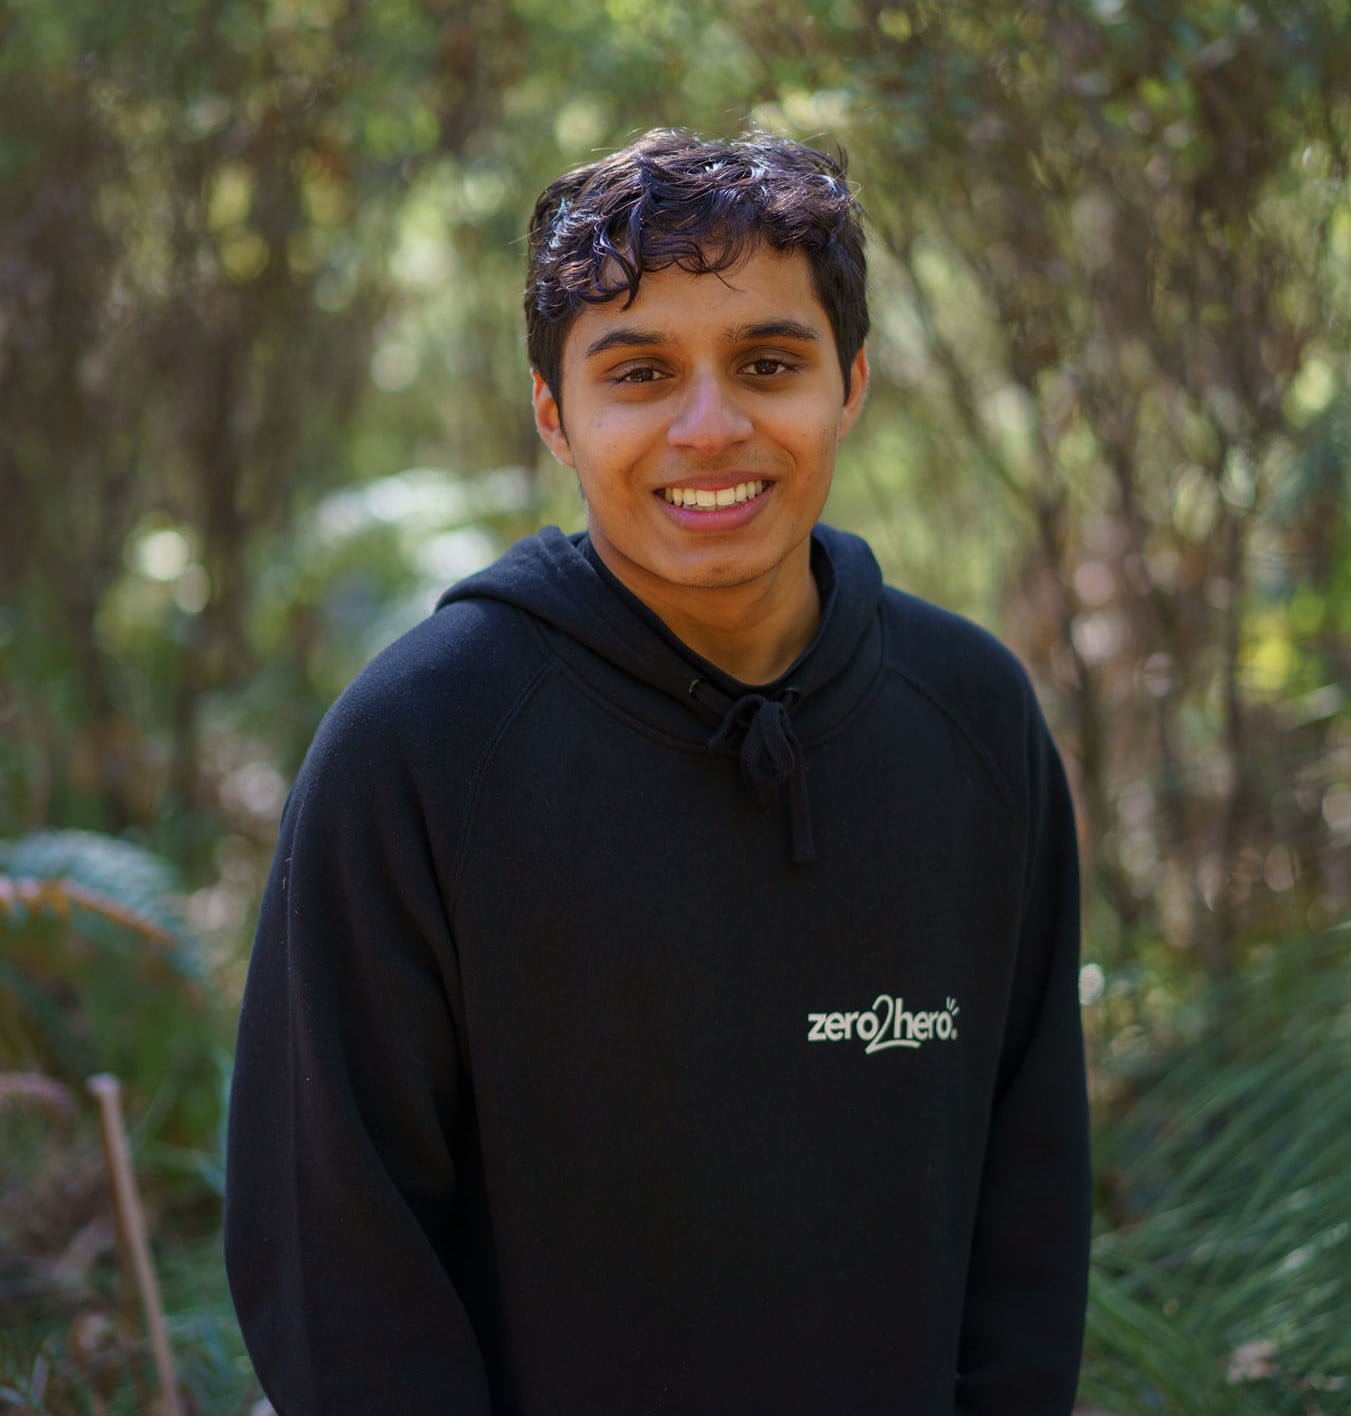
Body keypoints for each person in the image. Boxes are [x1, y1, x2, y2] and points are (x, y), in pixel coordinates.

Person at [225, 129, 1091, 1414]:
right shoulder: (418, 746)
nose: (709, 426)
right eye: (639, 373)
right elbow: (335, 1262)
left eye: (768, 364)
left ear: (849, 385)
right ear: (553, 415)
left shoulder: (971, 720)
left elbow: (1029, 1207)